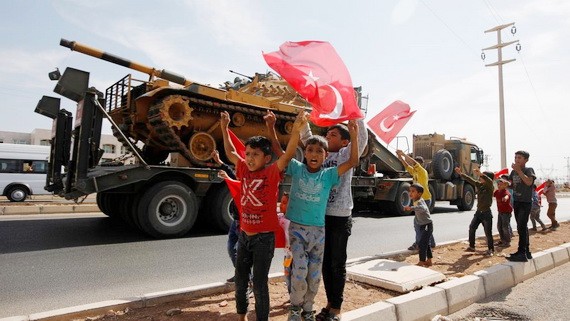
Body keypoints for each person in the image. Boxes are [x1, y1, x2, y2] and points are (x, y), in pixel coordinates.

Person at [220, 110, 307, 321]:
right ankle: (241, 316)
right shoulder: (242, 169)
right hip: (244, 236)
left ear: (266, 158)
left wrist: (295, 130)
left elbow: (287, 154)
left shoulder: (271, 172)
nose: (249, 158)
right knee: (241, 281)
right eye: (248, 153)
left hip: (263, 239)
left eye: (255, 154)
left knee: (259, 283)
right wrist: (224, 128)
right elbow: (231, 152)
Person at [286, 120, 359, 321]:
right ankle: (324, 304)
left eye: (333, 135)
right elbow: (307, 137)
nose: (328, 136)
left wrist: (355, 124)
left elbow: (358, 145)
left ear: (345, 142)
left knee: (336, 263)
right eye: (327, 133)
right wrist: (301, 118)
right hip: (318, 217)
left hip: (339, 216)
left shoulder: (344, 154)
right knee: (322, 265)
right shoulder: (319, 152)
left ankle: (336, 308)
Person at [395, 151, 436, 251]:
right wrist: (401, 159)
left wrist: (404, 155)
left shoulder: (422, 171)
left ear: (420, 164)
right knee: (424, 223)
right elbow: (408, 166)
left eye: (416, 164)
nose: (414, 166)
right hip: (420, 200)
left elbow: (413, 163)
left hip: (424, 200)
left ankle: (418, 243)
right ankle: (431, 243)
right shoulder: (415, 172)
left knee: (418, 223)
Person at [455, 167, 495, 256]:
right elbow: (470, 180)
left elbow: (489, 181)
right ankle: (472, 246)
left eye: (482, 176)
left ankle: (491, 249)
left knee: (488, 232)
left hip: (486, 213)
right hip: (478, 213)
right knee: (472, 228)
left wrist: (481, 174)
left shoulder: (490, 186)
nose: (479, 177)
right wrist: (461, 174)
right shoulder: (479, 185)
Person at [506, 150, 536, 262]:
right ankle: (526, 252)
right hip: (517, 202)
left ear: (526, 160)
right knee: (521, 227)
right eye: (515, 157)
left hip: (525, 203)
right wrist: (506, 183)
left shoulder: (528, 170)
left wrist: (519, 171)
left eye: (519, 157)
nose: (516, 159)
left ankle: (521, 253)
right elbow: (511, 184)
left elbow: (529, 182)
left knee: (521, 227)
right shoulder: (513, 172)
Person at [403, 183, 433, 267]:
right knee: (426, 244)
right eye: (410, 191)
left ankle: (421, 261)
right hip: (422, 225)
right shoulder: (415, 200)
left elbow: (422, 208)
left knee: (422, 244)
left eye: (413, 191)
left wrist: (411, 208)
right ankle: (429, 260)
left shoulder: (420, 201)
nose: (410, 193)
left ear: (419, 194)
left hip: (427, 225)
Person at [494, 178, 513, 247]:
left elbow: (508, 195)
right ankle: (502, 240)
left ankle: (507, 242)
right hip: (500, 212)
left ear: (504, 186)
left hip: (506, 212)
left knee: (505, 227)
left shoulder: (506, 192)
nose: (499, 186)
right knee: (499, 226)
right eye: (498, 184)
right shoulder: (497, 192)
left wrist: (505, 198)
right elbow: (492, 194)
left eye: (500, 185)